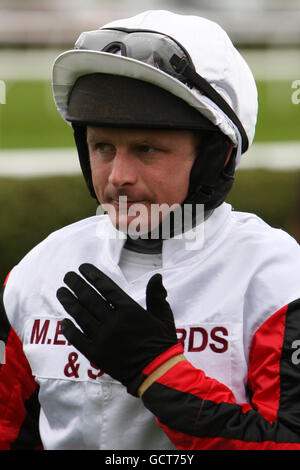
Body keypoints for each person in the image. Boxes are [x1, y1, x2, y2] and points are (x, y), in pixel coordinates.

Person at [1, 9, 300, 451]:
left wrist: (156, 369)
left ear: (217, 155)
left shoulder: (278, 278)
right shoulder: (37, 271)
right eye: (103, 146)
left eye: (146, 149)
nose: (118, 175)